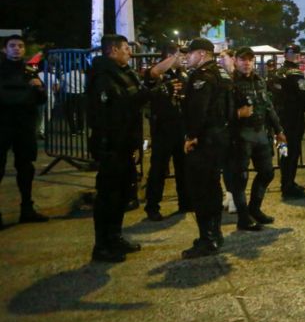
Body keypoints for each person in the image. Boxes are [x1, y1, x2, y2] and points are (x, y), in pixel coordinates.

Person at [86, 34, 176, 262]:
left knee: (122, 194)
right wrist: (156, 91)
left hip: (126, 142)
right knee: (108, 195)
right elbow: (121, 105)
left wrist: (155, 84)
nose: (129, 52)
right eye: (125, 48)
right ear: (113, 51)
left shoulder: (124, 72)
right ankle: (102, 245)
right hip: (111, 144)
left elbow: (138, 91)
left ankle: (115, 237)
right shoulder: (104, 76)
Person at [181, 38, 237, 259]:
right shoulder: (223, 74)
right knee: (212, 186)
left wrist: (192, 136)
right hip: (220, 137)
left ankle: (208, 238)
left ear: (202, 54)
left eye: (191, 53)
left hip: (205, 140)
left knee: (201, 189)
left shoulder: (202, 77)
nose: (187, 57)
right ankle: (215, 233)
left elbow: (198, 110)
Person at [231, 47, 287, 229]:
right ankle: (243, 218)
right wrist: (237, 114)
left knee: (267, 172)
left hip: (259, 132)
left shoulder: (259, 81)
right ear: (235, 61)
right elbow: (220, 111)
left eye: (249, 59)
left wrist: (279, 130)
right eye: (242, 59)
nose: (246, 63)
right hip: (240, 134)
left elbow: (268, 107)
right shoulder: (229, 83)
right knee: (240, 177)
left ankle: (254, 209)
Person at [0, 35, 49, 230]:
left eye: (20, 46)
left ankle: (27, 209)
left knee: (26, 168)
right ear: (5, 49)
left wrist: (39, 90)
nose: (17, 49)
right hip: (2, 125)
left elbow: (41, 100)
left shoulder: (30, 72)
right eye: (12, 46)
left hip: (24, 126)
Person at [268, 44, 305, 199]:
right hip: (293, 119)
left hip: (279, 119)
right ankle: (288, 186)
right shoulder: (296, 73)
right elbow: (304, 95)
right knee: (292, 153)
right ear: (299, 56)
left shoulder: (276, 73)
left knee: (284, 152)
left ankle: (286, 183)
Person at [144, 42, 190, 221]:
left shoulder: (182, 74)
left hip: (180, 128)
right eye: (180, 55)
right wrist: (173, 57)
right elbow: (153, 74)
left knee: (183, 168)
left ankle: (185, 202)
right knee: (158, 169)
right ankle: (152, 206)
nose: (184, 59)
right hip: (163, 129)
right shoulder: (159, 72)